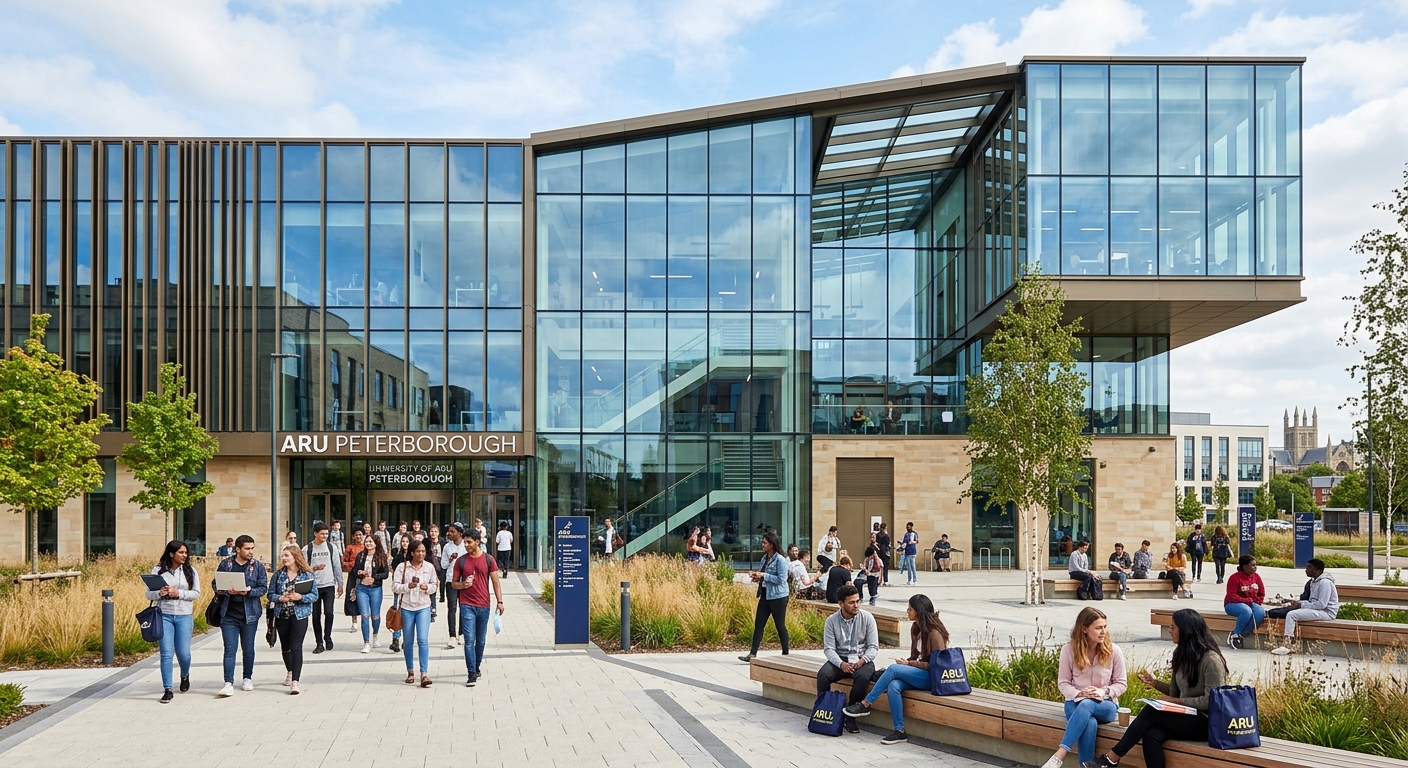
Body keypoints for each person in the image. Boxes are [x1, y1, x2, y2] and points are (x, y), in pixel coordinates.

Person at [1087, 609, 1227, 768]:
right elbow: (1174, 693)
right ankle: (1111, 760)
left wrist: (1176, 701)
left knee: (1152, 712)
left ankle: (1111, 758)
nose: (1170, 630)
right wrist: (1155, 683)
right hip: (1187, 717)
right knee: (1151, 734)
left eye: (1173, 627)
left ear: (1186, 630)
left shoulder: (1211, 660)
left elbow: (1212, 701)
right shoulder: (1181, 654)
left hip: (1207, 723)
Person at [842, 594, 949, 744]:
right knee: (894, 685)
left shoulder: (934, 633)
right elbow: (915, 656)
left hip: (933, 678)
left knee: (893, 669)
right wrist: (908, 661)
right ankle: (900, 731)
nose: (907, 611)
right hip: (919, 674)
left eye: (910, 608)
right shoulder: (916, 628)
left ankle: (865, 704)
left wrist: (909, 665)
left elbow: (937, 666)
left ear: (919, 610)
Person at [1040, 607, 1126, 767]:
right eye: (1098, 628)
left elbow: (1121, 683)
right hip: (1075, 703)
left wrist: (1104, 691)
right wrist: (1080, 693)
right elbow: (1063, 683)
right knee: (1090, 723)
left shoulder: (1114, 650)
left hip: (1105, 705)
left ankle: (1059, 755)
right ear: (1084, 629)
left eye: (1105, 627)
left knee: (1088, 704)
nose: (1103, 632)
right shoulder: (1068, 650)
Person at [816, 585, 878, 735]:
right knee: (823, 675)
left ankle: (850, 719)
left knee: (863, 676)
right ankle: (823, 712)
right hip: (841, 659)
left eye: (858, 601)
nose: (856, 605)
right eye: (851, 602)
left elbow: (873, 647)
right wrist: (841, 664)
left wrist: (862, 661)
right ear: (841, 603)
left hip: (862, 659)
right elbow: (829, 649)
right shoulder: (831, 621)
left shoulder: (867, 617)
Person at [213, 535, 268, 698]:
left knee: (248, 648)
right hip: (228, 613)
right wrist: (225, 590)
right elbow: (215, 583)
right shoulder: (226, 564)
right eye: (247, 548)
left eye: (252, 548)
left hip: (249, 613)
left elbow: (263, 588)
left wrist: (249, 591)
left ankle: (247, 678)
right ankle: (228, 682)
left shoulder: (257, 566)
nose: (251, 551)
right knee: (230, 649)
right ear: (238, 549)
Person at [146, 540, 200, 703]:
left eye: (185, 553)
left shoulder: (190, 571)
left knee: (184, 653)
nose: (185, 555)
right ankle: (168, 689)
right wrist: (159, 593)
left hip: (184, 615)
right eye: (181, 553)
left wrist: (179, 593)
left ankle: (185, 675)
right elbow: (148, 594)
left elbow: (196, 593)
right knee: (166, 653)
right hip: (164, 616)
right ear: (171, 554)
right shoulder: (158, 570)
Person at [450, 527, 504, 686]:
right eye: (465, 542)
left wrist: (500, 602)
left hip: (484, 605)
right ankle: (471, 672)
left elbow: (496, 583)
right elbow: (453, 584)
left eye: (469, 542)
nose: (466, 545)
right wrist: (463, 584)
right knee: (469, 640)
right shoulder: (461, 561)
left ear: (477, 542)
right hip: (466, 604)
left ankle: (477, 666)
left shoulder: (488, 559)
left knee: (480, 641)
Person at [270, 545, 318, 694]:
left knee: (296, 646)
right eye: (283, 556)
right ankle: (289, 671)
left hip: (299, 614)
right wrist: (280, 598)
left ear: (295, 557)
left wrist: (301, 597)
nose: (284, 558)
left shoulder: (307, 575)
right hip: (282, 614)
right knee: (285, 647)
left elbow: (314, 595)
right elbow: (270, 593)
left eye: (287, 556)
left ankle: (295, 681)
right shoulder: (278, 575)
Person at [738, 531, 790, 663]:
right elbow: (763, 575)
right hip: (765, 594)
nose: (762, 545)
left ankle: (786, 653)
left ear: (772, 544)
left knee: (780, 625)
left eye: (764, 543)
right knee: (759, 624)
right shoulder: (764, 558)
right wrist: (756, 577)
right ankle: (752, 653)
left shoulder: (780, 560)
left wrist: (763, 575)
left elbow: (782, 579)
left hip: (779, 596)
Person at [1270, 558, 1339, 656]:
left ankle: (1287, 645)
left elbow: (1322, 604)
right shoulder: (1313, 581)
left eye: (1309, 567)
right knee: (1291, 611)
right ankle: (1293, 645)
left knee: (1291, 615)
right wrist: (1298, 603)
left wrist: (1302, 605)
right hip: (1317, 609)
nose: (1306, 570)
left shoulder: (1325, 583)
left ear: (1316, 570)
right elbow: (1312, 601)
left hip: (1327, 612)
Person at [393, 539, 438, 687]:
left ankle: (424, 673)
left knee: (423, 640)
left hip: (423, 606)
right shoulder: (402, 567)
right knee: (408, 641)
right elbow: (395, 586)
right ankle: (410, 671)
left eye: (423, 551)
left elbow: (434, 586)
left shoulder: (430, 567)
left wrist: (427, 588)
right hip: (407, 607)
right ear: (411, 552)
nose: (421, 554)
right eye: (418, 551)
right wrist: (407, 586)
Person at [302, 522, 343, 654]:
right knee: (315, 616)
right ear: (315, 533)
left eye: (327, 533)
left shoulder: (332, 548)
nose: (325, 536)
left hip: (329, 584)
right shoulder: (307, 549)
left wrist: (340, 584)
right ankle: (319, 642)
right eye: (322, 533)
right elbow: (303, 569)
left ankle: (328, 636)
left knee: (329, 613)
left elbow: (337, 566)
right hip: (313, 587)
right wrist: (314, 568)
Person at [352, 536, 390, 653]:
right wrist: (359, 572)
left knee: (375, 615)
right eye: (366, 541)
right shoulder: (361, 556)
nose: (368, 543)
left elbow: (386, 573)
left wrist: (375, 578)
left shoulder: (381, 556)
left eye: (370, 541)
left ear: (376, 543)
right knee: (364, 615)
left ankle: (375, 636)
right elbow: (354, 571)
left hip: (375, 589)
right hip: (362, 589)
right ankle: (366, 642)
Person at [1223, 555, 1266, 650]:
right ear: (1244, 566)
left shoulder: (1256, 577)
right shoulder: (1234, 578)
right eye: (1252, 565)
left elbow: (1261, 593)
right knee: (1246, 611)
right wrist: (1246, 601)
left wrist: (1257, 602)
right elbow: (1231, 595)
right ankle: (1235, 634)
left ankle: (1242, 634)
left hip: (1250, 603)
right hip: (1232, 604)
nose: (1255, 567)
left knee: (1260, 612)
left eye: (1256, 565)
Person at [440, 522, 468, 649]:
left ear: (460, 533)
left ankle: (462, 633)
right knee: (452, 608)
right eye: (449, 531)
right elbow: (443, 565)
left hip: (464, 581)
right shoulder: (447, 547)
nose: (449, 533)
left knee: (464, 607)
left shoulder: (466, 546)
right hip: (451, 580)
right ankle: (452, 635)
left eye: (452, 531)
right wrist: (450, 559)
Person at [341, 528, 366, 634]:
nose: (358, 537)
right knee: (352, 597)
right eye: (356, 535)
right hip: (353, 575)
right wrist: (353, 566)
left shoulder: (366, 547)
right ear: (353, 536)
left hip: (365, 575)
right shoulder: (350, 548)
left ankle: (365, 621)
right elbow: (344, 562)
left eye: (360, 535)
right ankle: (354, 622)